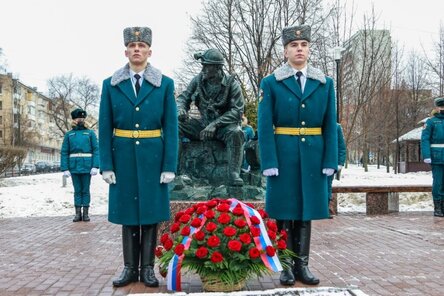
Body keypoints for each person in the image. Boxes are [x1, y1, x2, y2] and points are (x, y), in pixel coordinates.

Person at [257, 24, 338, 286]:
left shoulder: (324, 84)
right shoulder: (271, 83)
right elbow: (263, 125)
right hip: (283, 155)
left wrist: (330, 160)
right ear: (285, 52)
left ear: (309, 50)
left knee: (304, 213)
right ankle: (286, 267)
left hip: (313, 157)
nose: (299, 49)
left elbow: (330, 125)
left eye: (303, 45)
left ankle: (303, 265)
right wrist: (268, 160)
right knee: (284, 213)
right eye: (293, 45)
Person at [98, 26, 178, 287]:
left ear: (149, 51)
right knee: (129, 215)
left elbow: (171, 127)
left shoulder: (164, 84)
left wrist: (169, 165)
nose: (137, 50)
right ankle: (129, 268)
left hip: (153, 158)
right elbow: (104, 126)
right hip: (122, 159)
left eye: (141, 46)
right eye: (132, 46)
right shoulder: (111, 85)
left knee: (152, 216)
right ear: (126, 51)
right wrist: (106, 165)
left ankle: (147, 269)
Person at [176, 48, 245, 186]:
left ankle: (233, 173)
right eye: (203, 66)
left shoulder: (232, 84)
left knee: (236, 132)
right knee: (175, 126)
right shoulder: (197, 80)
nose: (203, 69)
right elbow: (183, 98)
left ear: (218, 67)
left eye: (207, 66)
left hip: (223, 128)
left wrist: (215, 124)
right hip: (202, 125)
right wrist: (181, 110)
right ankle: (177, 171)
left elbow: (237, 111)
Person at [60, 108, 99, 222]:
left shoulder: (90, 133)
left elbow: (96, 149)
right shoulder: (69, 134)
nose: (80, 120)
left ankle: (86, 214)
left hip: (87, 166)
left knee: (85, 190)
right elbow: (64, 152)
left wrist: (95, 166)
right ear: (74, 120)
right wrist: (65, 168)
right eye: (78, 118)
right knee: (77, 190)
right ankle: (78, 214)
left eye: (82, 118)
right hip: (74, 166)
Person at [421, 97, 444, 217]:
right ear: (437, 108)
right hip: (437, 156)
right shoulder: (431, 122)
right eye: (441, 107)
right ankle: (438, 207)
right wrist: (427, 155)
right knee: (438, 182)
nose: (442, 109)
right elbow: (425, 140)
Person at [327, 123, 346, 218]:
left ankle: (325, 209)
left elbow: (341, 147)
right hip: (313, 162)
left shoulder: (336, 127)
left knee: (327, 186)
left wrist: (340, 163)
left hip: (329, 163)